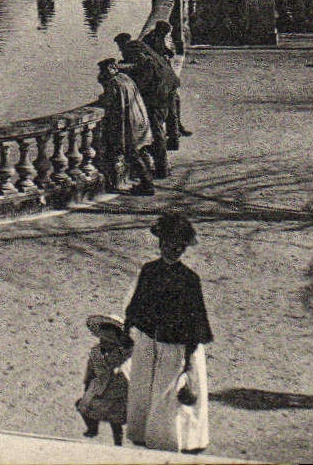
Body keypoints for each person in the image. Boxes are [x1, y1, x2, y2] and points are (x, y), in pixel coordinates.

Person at [125, 213, 212, 453]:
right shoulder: (149, 270)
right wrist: (128, 328)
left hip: (176, 345)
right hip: (149, 340)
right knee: (143, 387)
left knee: (168, 394)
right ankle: (142, 433)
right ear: (160, 243)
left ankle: (173, 440)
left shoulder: (189, 279)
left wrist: (189, 358)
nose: (173, 250)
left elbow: (195, 319)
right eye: (169, 244)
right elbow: (136, 304)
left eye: (179, 247)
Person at [98, 58, 155, 195]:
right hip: (139, 119)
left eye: (104, 70)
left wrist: (102, 96)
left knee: (132, 153)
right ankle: (147, 183)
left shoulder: (113, 82)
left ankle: (147, 185)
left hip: (130, 123)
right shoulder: (125, 78)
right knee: (139, 151)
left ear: (110, 69)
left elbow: (108, 101)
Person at [76, 314, 133, 445]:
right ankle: (93, 428)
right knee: (84, 406)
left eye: (110, 333)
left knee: (116, 418)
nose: (106, 337)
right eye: (104, 332)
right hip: (100, 387)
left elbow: (130, 351)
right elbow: (90, 369)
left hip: (118, 388)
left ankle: (118, 442)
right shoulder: (95, 352)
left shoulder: (123, 352)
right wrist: (87, 385)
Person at [142, 20, 190, 137]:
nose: (166, 36)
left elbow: (167, 52)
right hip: (160, 78)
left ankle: (176, 128)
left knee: (174, 101)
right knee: (170, 103)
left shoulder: (157, 38)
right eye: (166, 33)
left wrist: (167, 54)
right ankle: (174, 131)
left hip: (165, 76)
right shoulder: (150, 40)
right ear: (161, 31)